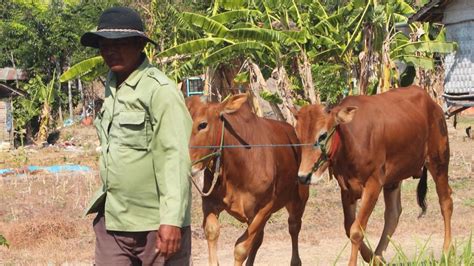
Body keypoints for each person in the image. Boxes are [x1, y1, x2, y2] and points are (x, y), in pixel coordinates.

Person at [80, 6, 193, 265]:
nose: (110, 50)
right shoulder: (110, 86)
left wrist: (172, 221)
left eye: (120, 43)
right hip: (114, 221)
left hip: (156, 225)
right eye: (104, 44)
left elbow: (174, 158)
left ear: (140, 44)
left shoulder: (159, 91)